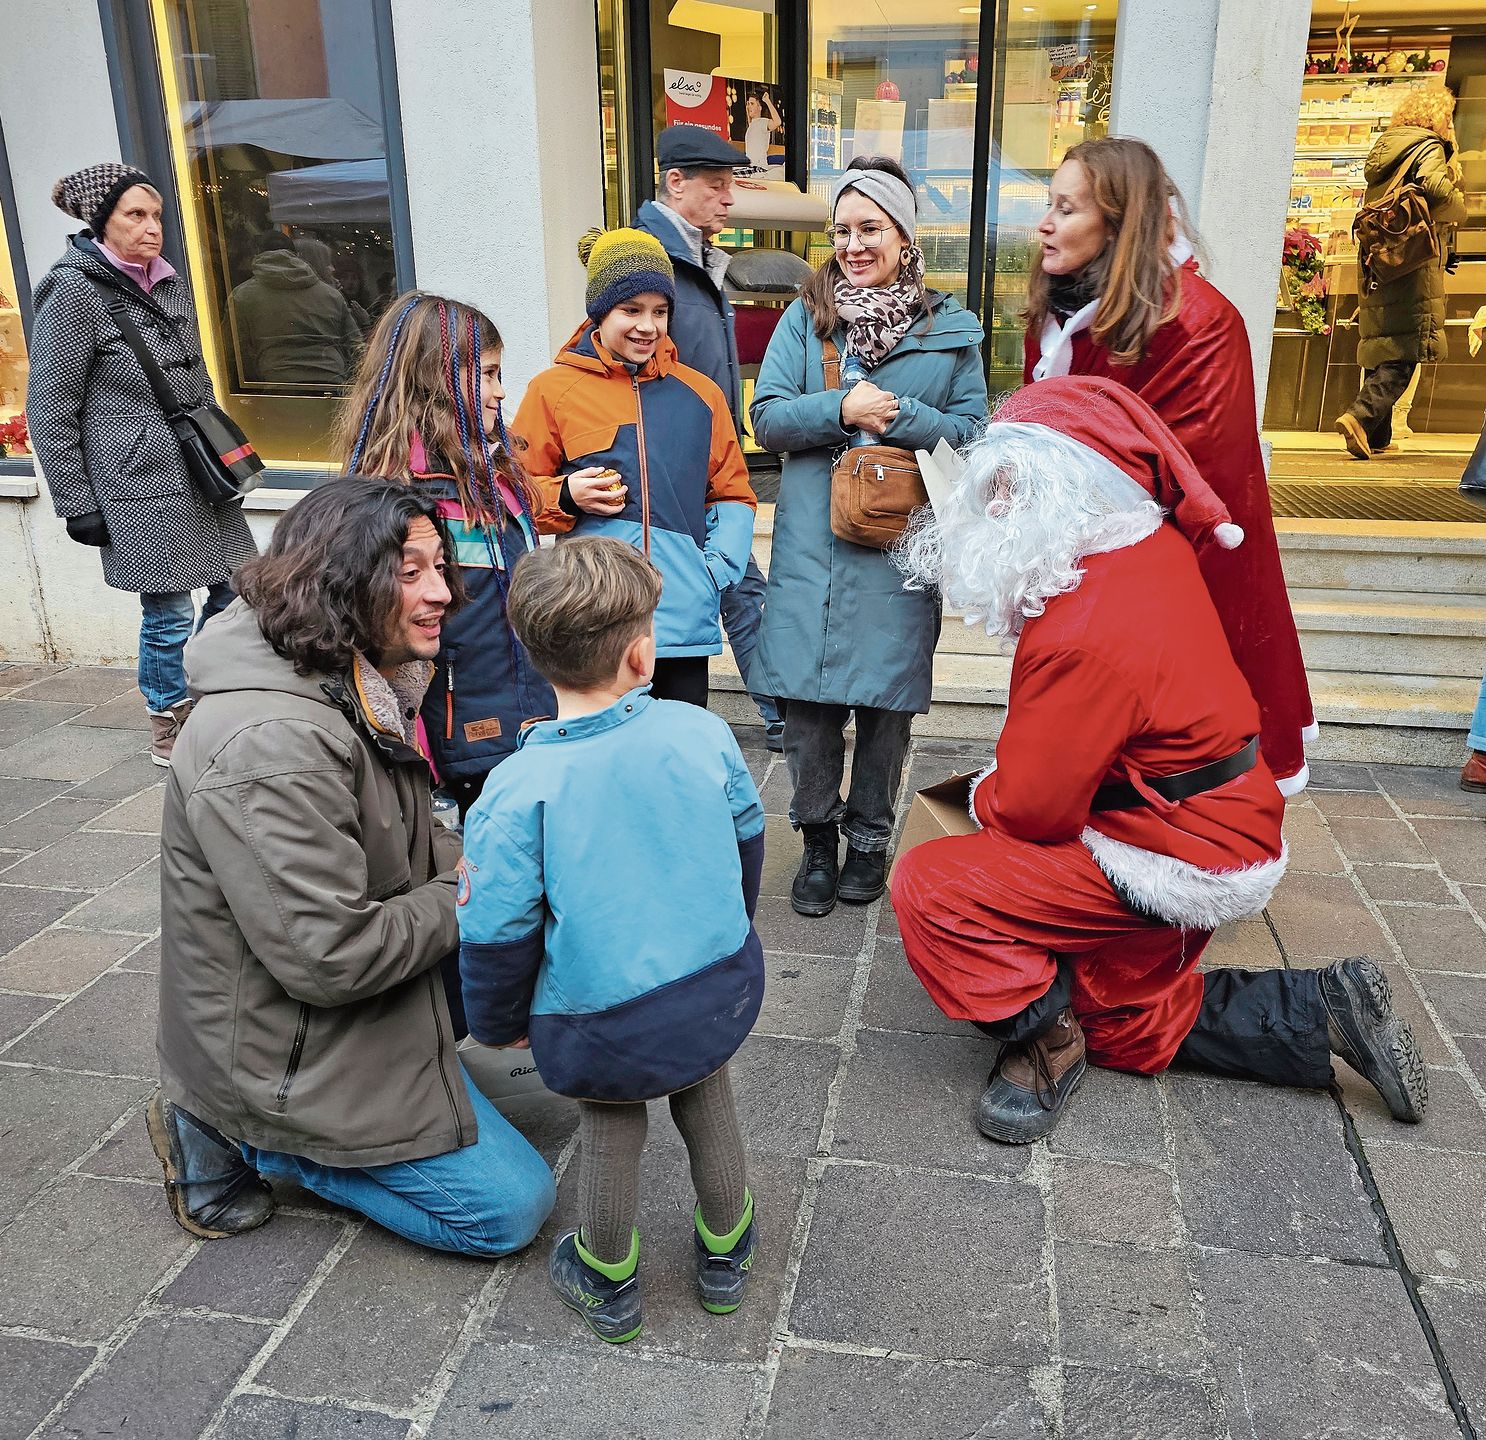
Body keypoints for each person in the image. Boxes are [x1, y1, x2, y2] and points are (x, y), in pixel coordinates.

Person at [891, 377, 1426, 1143]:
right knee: (1119, 1019)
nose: (990, 510)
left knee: (936, 888)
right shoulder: (1143, 542)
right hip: (1206, 812)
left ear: (1063, 489)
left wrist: (981, 800)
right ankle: (1322, 1008)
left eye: (1006, 487)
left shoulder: (1083, 626)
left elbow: (1034, 810)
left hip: (1177, 840)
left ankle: (1048, 1041)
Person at [150, 478, 555, 1254]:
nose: (442, 593)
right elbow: (331, 959)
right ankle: (245, 1138)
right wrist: (483, 885)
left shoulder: (359, 676)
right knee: (509, 1211)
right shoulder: (274, 743)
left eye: (442, 567)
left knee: (527, 923)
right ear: (340, 580)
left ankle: (415, 1082)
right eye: (411, 573)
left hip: (329, 997)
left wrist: (506, 868)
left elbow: (415, 849)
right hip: (289, 1045)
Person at [459, 536, 764, 1344]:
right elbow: (747, 845)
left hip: (602, 1014)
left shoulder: (518, 790)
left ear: (532, 654)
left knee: (610, 1122)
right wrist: (730, 939)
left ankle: (607, 1277)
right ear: (641, 653)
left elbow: (494, 932)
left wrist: (497, 1024)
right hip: (713, 983)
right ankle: (728, 1257)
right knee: (707, 1090)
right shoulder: (702, 734)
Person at [1023, 136, 1315, 795]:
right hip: (1080, 581)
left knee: (1168, 766)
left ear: (1120, 222)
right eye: (1049, 204)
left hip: (1173, 594)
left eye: (1065, 209)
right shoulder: (1062, 311)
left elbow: (1181, 483)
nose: (1045, 223)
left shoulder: (1201, 324)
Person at [750, 155, 988, 917]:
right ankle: (818, 844)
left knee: (887, 709)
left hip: (901, 550)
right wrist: (842, 411)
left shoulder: (951, 331)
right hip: (814, 551)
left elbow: (975, 438)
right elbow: (767, 418)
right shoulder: (804, 318)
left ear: (904, 236)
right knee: (810, 712)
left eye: (871, 228)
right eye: (843, 229)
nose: (854, 244)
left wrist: (903, 421)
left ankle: (871, 842)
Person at [27, 163, 257, 765]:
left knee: (238, 588)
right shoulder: (74, 290)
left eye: (156, 215)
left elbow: (196, 377)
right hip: (137, 481)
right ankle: (169, 720)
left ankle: (208, 691)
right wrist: (77, 504)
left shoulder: (169, 283)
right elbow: (51, 407)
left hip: (198, 473)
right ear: (102, 221)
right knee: (168, 609)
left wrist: (222, 450)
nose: (153, 228)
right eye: (136, 215)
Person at [334, 291, 556, 821]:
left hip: (521, 712)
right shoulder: (398, 495)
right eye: (487, 374)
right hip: (457, 734)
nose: (501, 393)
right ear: (433, 377)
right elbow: (383, 643)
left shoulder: (490, 475)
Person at [513, 228, 755, 708]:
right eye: (632, 310)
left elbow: (733, 493)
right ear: (599, 312)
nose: (648, 326)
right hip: (593, 619)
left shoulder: (702, 395)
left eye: (660, 312)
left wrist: (717, 570)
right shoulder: (552, 391)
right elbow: (513, 495)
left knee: (675, 760)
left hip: (682, 619)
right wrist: (565, 496)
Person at [635, 124, 782, 745]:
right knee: (737, 587)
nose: (729, 200)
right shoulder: (647, 259)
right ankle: (779, 713)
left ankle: (776, 711)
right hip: (672, 461)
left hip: (708, 455)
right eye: (717, 186)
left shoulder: (698, 257)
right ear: (676, 182)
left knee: (736, 585)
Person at [1335, 88, 1467, 461]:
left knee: (1384, 340)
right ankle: (1360, 417)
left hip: (1381, 255)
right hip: (1412, 260)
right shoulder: (1428, 146)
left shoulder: (1388, 149)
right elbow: (1436, 188)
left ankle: (1376, 436)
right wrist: (1461, 208)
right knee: (1407, 348)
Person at [226, 229, 362, 385]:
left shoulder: (242, 296)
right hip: (331, 380)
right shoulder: (331, 295)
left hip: (274, 384)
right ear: (296, 256)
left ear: (257, 254)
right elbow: (355, 346)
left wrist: (253, 383)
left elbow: (234, 352)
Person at [741, 90, 784, 171]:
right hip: (749, 166)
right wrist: (748, 107)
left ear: (760, 108)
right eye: (748, 104)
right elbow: (749, 117)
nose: (749, 106)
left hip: (758, 167)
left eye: (752, 104)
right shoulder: (752, 125)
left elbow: (777, 122)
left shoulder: (763, 122)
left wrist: (767, 101)